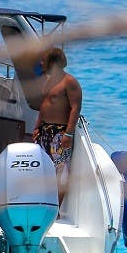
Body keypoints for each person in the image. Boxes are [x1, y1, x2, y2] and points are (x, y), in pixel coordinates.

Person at [31, 46, 82, 194]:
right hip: (44, 130)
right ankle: (45, 201)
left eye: (43, 60)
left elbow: (75, 108)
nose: (41, 63)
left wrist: (69, 134)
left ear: (53, 63)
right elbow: (43, 106)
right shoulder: (47, 81)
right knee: (43, 169)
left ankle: (57, 208)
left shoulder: (69, 81)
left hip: (60, 132)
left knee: (60, 171)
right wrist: (36, 127)